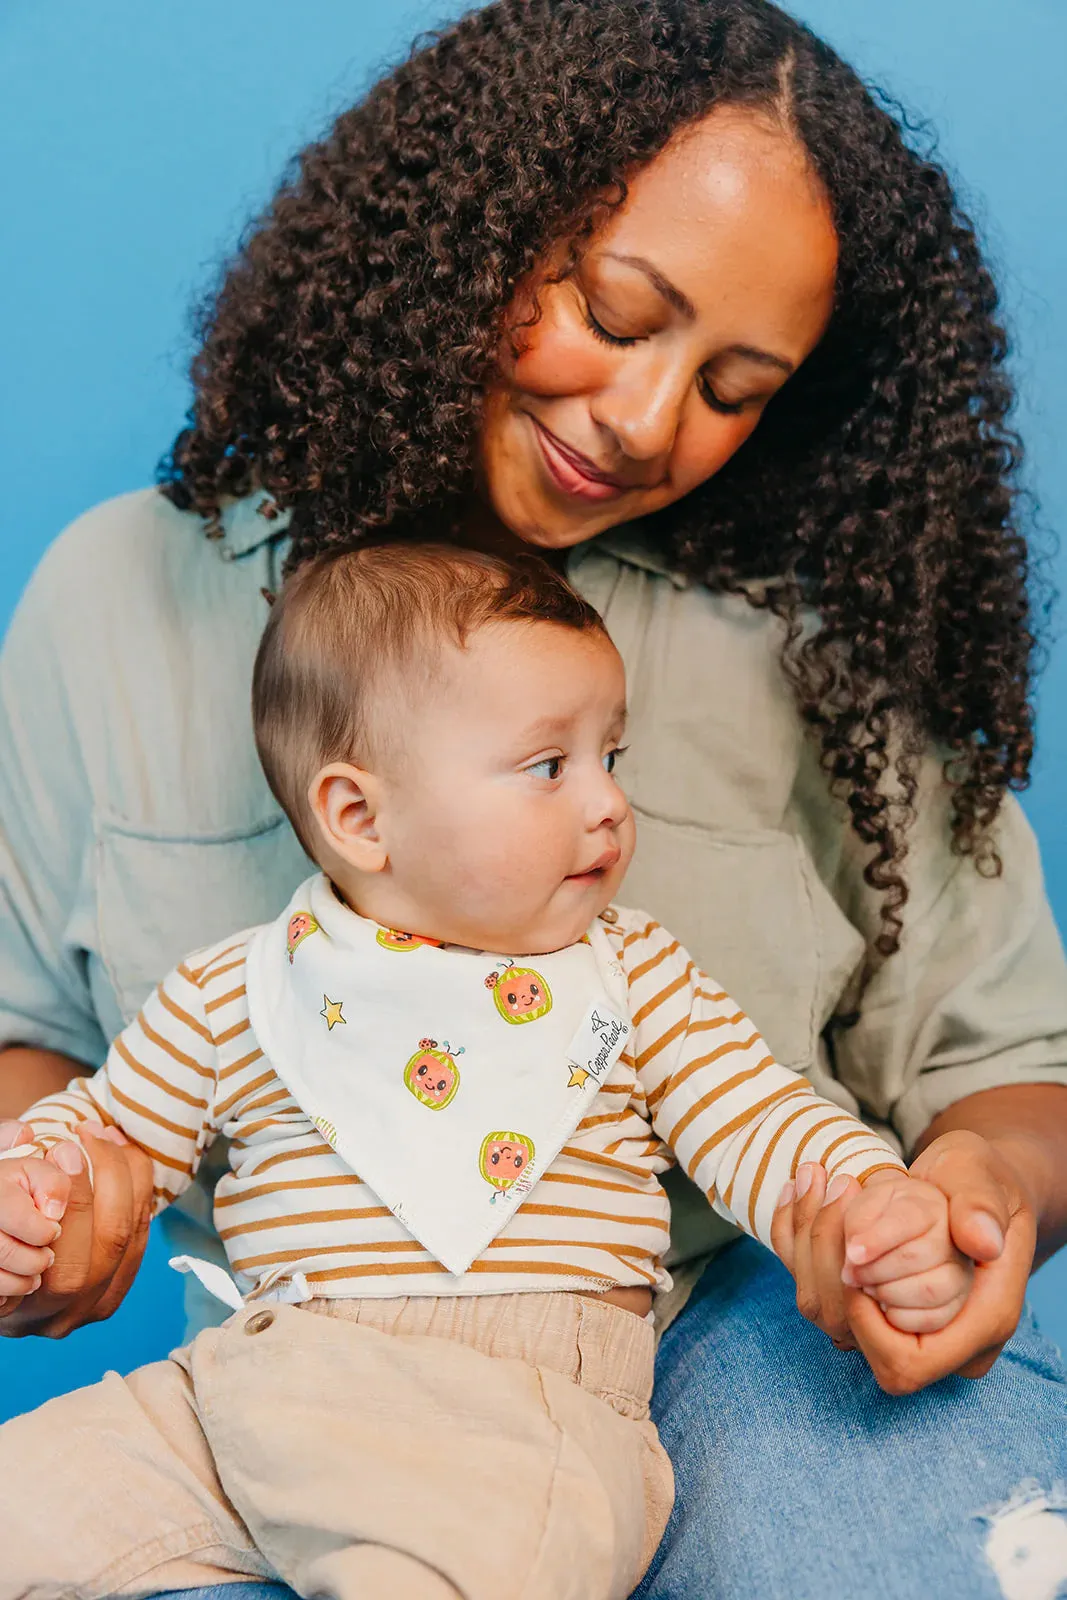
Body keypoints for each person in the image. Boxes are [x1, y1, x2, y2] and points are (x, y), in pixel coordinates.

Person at [0, 2, 1064, 1596]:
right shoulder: (114, 601)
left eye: (734, 385)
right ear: (464, 226)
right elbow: (42, 1043)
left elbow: (1007, 1077)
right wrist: (52, 1198)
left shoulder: (813, 654)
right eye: (612, 308)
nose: (643, 422)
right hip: (284, 1356)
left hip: (718, 1330)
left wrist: (958, 1206)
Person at [2, 540, 983, 1598]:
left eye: (611, 754)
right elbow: (107, 1131)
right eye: (548, 765)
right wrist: (34, 1190)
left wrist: (868, 1200)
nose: (606, 801)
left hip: (516, 1408)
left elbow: (762, 1123)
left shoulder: (632, 978)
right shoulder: (235, 989)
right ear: (360, 817)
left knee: (456, 1565)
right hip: (254, 1383)